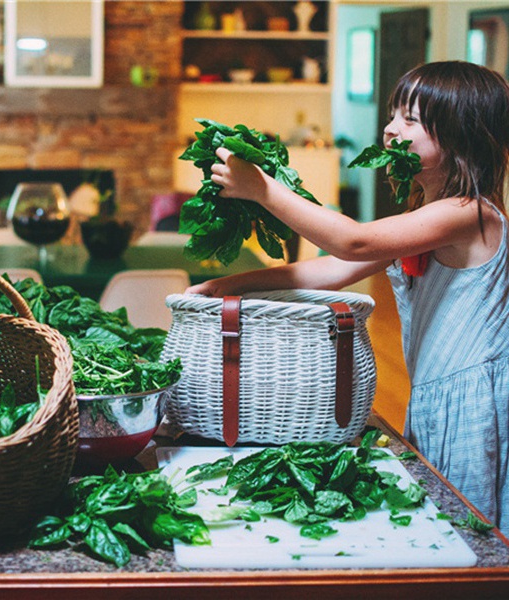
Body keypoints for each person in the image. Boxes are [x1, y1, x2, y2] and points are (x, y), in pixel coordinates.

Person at [186, 61, 509, 533]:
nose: (391, 128)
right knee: (442, 516)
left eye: (410, 120)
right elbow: (337, 269)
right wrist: (232, 285)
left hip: (473, 400)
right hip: (435, 393)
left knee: (470, 529)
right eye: (394, 114)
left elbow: (353, 243)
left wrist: (264, 191)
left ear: (461, 136)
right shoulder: (429, 212)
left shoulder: (471, 213)